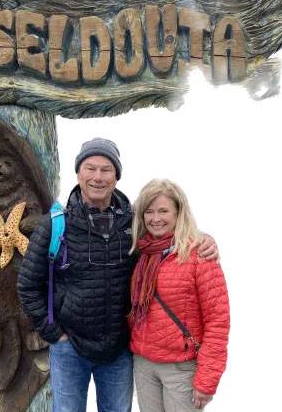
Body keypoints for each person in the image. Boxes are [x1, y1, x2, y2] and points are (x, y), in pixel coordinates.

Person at [17, 138, 218, 412]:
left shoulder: (134, 222)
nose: (98, 177)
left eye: (106, 169)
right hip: (69, 347)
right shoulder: (56, 224)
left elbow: (169, 234)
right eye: (91, 168)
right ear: (79, 173)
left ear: (116, 176)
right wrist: (53, 332)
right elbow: (28, 284)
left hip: (118, 349)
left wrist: (203, 239)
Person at [129, 179, 230, 412]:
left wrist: (207, 380)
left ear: (178, 213)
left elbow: (218, 321)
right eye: (149, 211)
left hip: (181, 369)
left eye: (163, 211)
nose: (156, 218)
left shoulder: (199, 255)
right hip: (144, 364)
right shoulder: (141, 252)